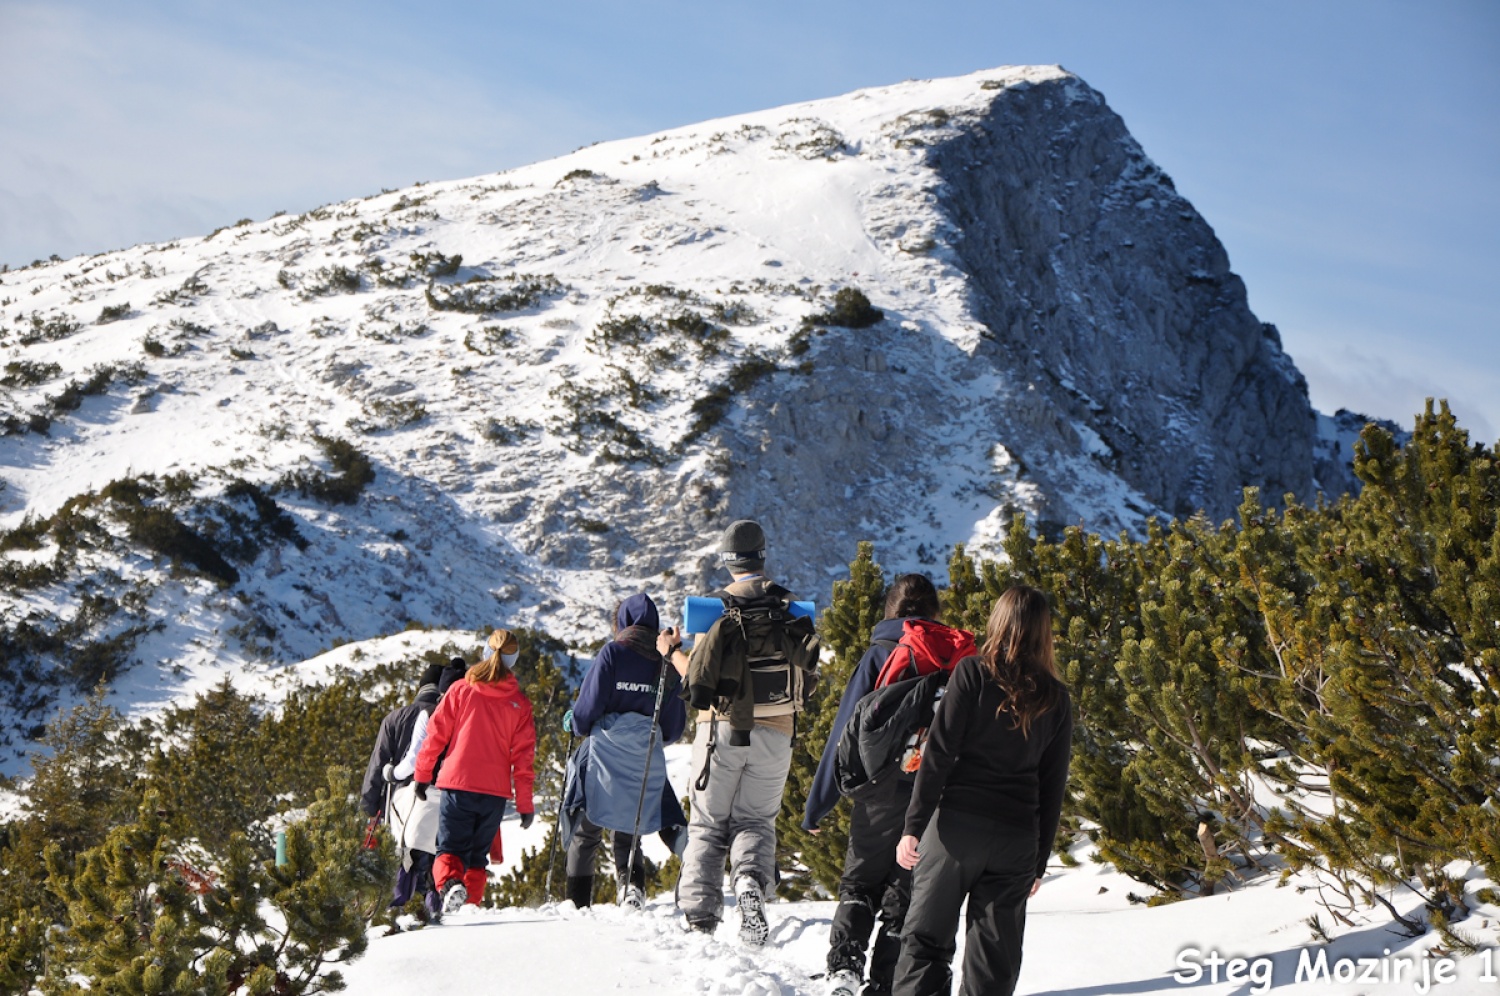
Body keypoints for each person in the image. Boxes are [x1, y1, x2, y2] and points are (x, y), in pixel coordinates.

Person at [891, 586, 1073, 996]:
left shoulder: (972, 673)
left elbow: (937, 756)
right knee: (994, 962)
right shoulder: (1057, 699)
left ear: (999, 622)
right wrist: (1038, 862)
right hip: (1016, 840)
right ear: (1044, 633)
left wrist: (913, 827)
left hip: (956, 829)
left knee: (925, 944)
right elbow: (1052, 785)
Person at [804, 575, 976, 996]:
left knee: (861, 883)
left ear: (890, 611)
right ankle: (885, 983)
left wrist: (817, 804)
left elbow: (845, 732)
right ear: (934, 612)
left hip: (879, 789)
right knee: (905, 893)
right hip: (935, 796)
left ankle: (844, 967)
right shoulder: (959, 659)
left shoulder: (881, 654)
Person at [675, 519, 820, 944]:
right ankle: (751, 884)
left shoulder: (711, 611)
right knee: (757, 821)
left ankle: (701, 918)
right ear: (762, 556)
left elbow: (695, 683)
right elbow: (807, 678)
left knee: (707, 823)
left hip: (721, 730)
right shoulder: (793, 610)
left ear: (727, 560)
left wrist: (672, 654)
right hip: (777, 732)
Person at [560, 593, 689, 910]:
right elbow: (672, 727)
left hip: (603, 755)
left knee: (587, 829)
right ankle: (631, 887)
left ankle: (577, 901)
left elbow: (587, 709)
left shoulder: (613, 653)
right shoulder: (666, 666)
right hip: (642, 759)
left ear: (623, 623)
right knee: (630, 829)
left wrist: (575, 724)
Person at [414, 629, 537, 914]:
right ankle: (469, 907)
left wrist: (422, 775)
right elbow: (523, 760)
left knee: (449, 850)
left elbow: (435, 736)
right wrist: (525, 805)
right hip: (494, 794)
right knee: (477, 858)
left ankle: (450, 887)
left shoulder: (461, 690)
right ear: (513, 660)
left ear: (484, 652)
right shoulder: (519, 703)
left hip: (458, 784)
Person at [360, 662, 445, 919]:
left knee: (401, 859)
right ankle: (429, 908)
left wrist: (369, 804)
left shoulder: (395, 718)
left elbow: (378, 764)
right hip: (438, 798)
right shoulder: (449, 717)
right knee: (431, 857)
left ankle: (400, 909)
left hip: (398, 803)